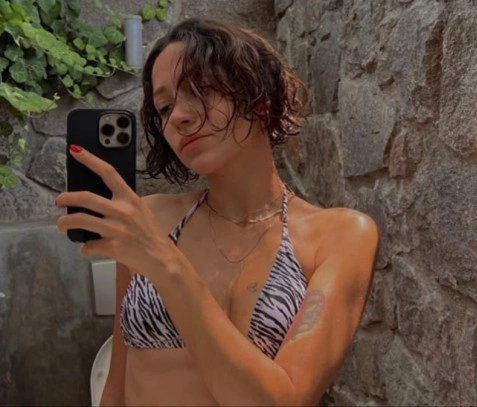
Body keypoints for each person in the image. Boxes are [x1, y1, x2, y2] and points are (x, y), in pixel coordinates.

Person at [55, 18, 378, 406]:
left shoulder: (340, 236)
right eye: (164, 106)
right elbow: (116, 387)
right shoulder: (152, 220)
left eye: (201, 89)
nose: (178, 116)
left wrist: (167, 266)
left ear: (260, 96)